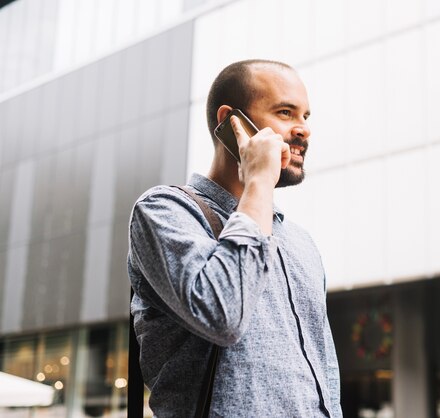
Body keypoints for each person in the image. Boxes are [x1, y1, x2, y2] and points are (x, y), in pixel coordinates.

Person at [127, 59, 342, 417]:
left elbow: (325, 374)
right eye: (285, 113)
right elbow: (221, 314)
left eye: (306, 116)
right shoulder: (165, 211)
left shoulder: (301, 243)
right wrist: (258, 181)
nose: (303, 130)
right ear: (231, 122)